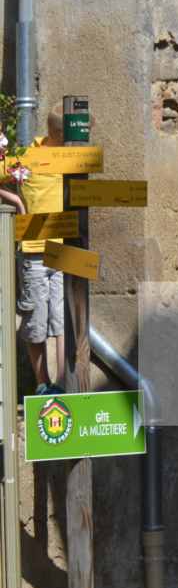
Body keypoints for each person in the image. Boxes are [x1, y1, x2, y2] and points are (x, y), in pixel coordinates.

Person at [15, 106, 67, 395]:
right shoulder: (29, 158)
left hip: (63, 251)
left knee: (62, 321)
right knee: (36, 323)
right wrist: (20, 205)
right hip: (35, 252)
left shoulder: (70, 160)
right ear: (59, 134)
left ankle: (62, 382)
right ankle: (42, 385)